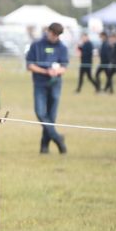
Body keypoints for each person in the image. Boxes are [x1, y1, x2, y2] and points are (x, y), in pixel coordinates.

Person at [26, 22, 69, 154]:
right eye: (53, 34)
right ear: (48, 31)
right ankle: (58, 138)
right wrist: (45, 71)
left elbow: (64, 66)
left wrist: (57, 71)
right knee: (40, 113)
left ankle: (44, 146)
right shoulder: (36, 45)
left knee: (51, 116)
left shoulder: (62, 47)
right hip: (40, 84)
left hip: (55, 84)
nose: (55, 37)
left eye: (57, 35)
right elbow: (30, 65)